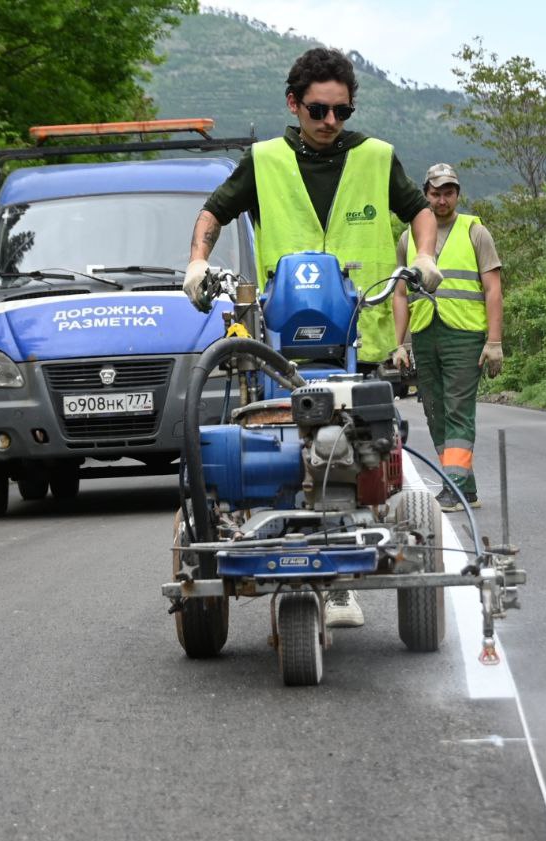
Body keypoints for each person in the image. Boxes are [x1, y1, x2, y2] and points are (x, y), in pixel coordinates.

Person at [181, 47, 441, 629]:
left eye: (341, 112)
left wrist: (423, 257)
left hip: (361, 332)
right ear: (294, 104)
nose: (330, 123)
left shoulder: (376, 157)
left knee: (364, 450)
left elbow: (420, 211)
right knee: (279, 455)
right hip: (280, 343)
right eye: (318, 110)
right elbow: (212, 213)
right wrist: (198, 264)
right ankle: (293, 553)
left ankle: (343, 570)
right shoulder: (264, 160)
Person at [391, 163, 503, 512]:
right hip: (425, 333)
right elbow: (399, 295)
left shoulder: (475, 232)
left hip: (465, 335)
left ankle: (453, 488)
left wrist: (494, 342)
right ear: (425, 194)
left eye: (448, 192)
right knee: (435, 411)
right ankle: (464, 489)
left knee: (458, 409)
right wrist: (401, 344)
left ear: (458, 194)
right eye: (436, 193)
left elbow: (493, 289)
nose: (442, 200)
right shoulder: (408, 238)